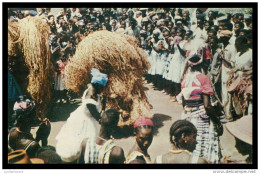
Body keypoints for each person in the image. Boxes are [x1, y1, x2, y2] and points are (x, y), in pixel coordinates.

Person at [178, 52, 223, 164]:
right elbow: (207, 105)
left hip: (188, 116)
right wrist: (217, 123)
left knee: (191, 145)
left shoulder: (184, 79)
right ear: (201, 64)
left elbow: (184, 103)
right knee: (204, 146)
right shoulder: (203, 78)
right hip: (201, 118)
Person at [55, 68, 108, 163]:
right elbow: (98, 116)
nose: (103, 89)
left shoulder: (94, 91)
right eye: (102, 87)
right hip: (85, 121)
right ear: (96, 85)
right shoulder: (90, 98)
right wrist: (104, 110)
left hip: (90, 119)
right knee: (82, 143)